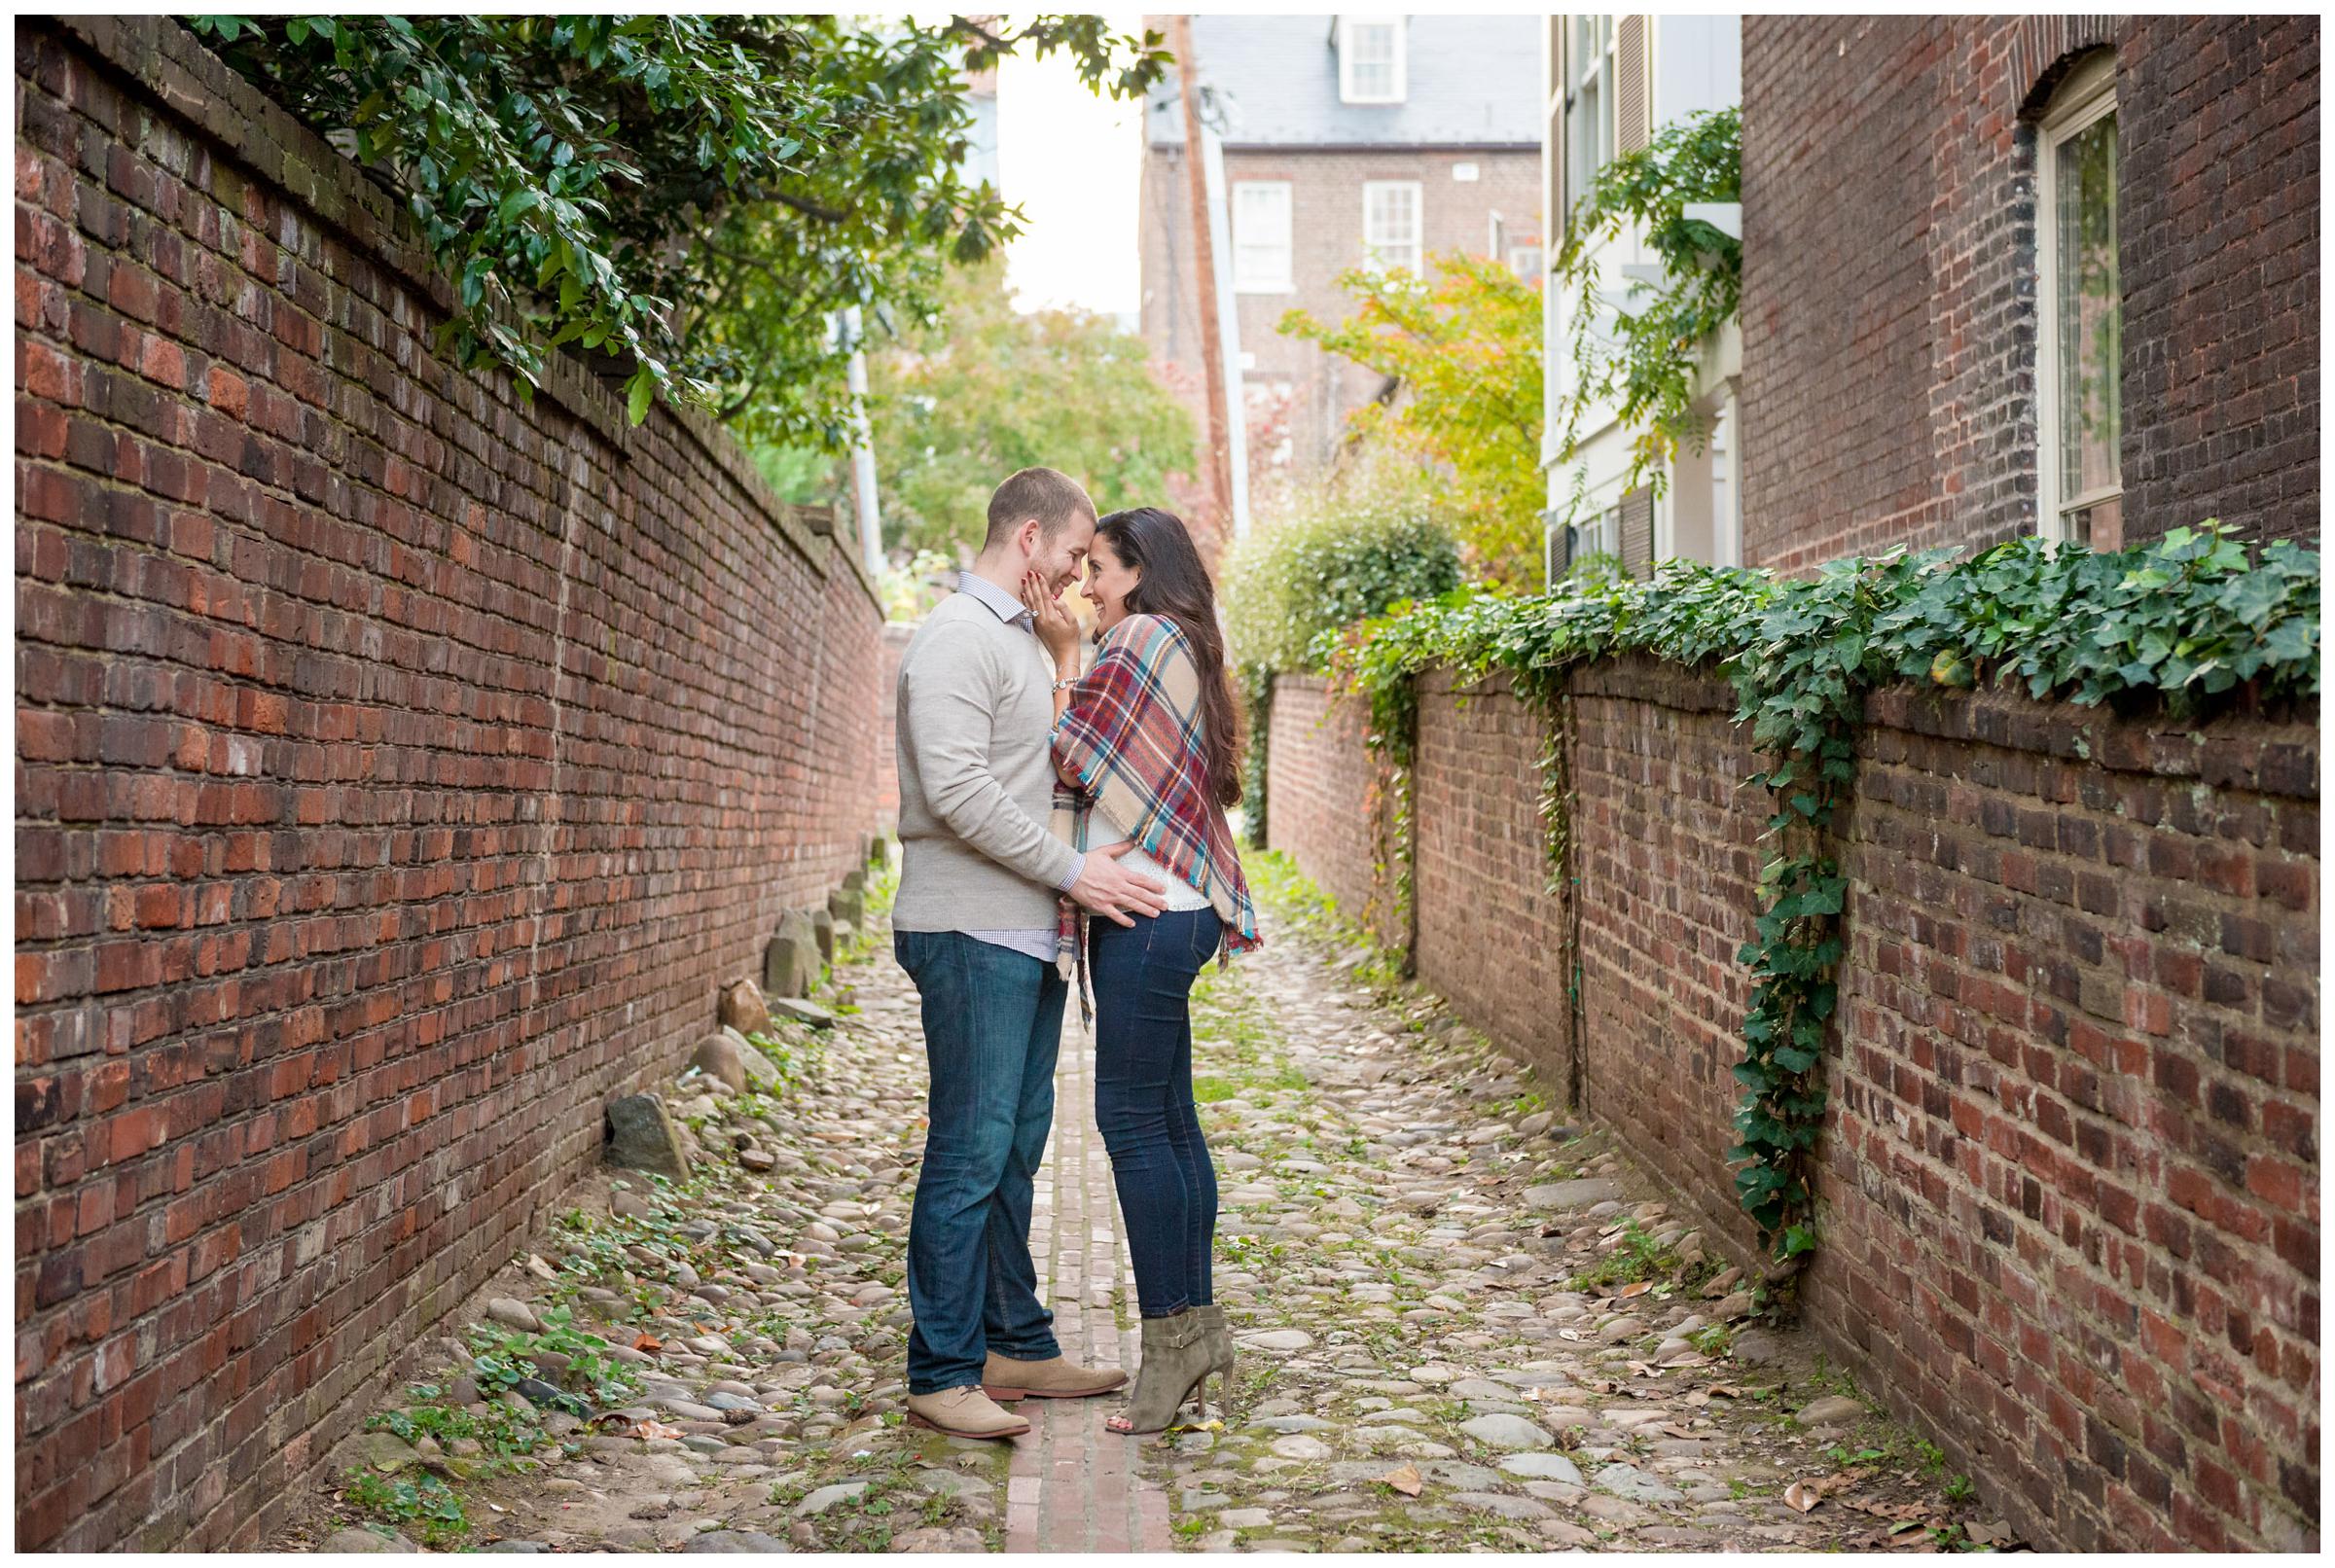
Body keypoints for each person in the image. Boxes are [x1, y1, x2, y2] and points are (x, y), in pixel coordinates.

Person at [891, 467, 1171, 1441]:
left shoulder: (1013, 640)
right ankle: (939, 1368)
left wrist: (1063, 651)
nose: (1075, 574)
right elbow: (960, 792)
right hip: (969, 929)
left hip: (1023, 934)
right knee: (970, 1151)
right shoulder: (956, 639)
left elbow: (1054, 772)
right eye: (1068, 555)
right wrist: (1078, 874)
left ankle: (1014, 1341)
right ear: (1028, 540)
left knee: (1012, 1150)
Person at [1019, 505, 1263, 1436]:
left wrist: (1062, 656)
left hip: (1149, 913)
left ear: (1140, 571)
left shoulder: (1143, 639)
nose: (1085, 584)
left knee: (1129, 1120)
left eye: (1100, 569)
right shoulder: (1180, 639)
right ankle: (1198, 1328)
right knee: (1168, 1118)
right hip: (1174, 907)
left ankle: (1170, 1340)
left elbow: (1071, 755)